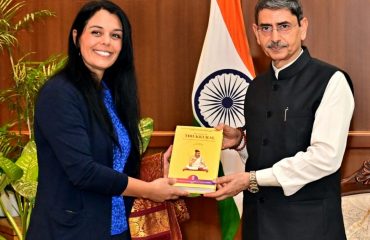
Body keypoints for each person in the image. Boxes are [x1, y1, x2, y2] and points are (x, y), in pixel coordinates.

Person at [26, 1, 187, 239]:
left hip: (115, 229)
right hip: (70, 232)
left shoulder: (110, 94)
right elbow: (84, 172)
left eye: (116, 35)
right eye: (96, 32)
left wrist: (155, 169)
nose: (106, 42)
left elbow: (111, 162)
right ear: (76, 37)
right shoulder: (59, 93)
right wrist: (150, 191)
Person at [204, 0, 355, 239]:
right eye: (266, 28)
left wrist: (252, 179)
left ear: (302, 27)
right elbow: (265, 151)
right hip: (258, 224)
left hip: (308, 227)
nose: (274, 37)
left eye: (284, 26)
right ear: (256, 33)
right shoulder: (255, 87)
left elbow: (325, 157)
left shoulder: (331, 81)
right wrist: (241, 143)